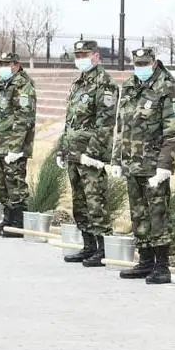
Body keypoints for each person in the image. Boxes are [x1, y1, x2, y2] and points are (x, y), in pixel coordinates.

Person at [107, 47, 175, 284]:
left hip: (153, 166)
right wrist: (116, 159)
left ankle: (162, 266)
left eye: (144, 63)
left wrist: (165, 165)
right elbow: (121, 125)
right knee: (138, 214)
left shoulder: (167, 88)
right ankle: (145, 261)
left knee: (158, 214)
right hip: (132, 163)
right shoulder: (130, 86)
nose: (139, 67)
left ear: (154, 62)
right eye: (136, 63)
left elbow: (174, 132)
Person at [57, 40, 119, 266]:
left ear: (96, 56)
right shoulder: (78, 83)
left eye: (84, 54)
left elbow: (105, 124)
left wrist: (92, 153)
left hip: (91, 156)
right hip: (74, 153)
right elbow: (70, 121)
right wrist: (62, 150)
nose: (80, 58)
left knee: (96, 202)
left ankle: (102, 249)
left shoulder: (105, 84)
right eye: (78, 54)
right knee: (79, 202)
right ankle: (87, 246)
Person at [0, 52, 37, 237]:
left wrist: (15, 148)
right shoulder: (3, 85)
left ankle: (17, 223)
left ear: (15, 65)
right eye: (1, 63)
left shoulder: (23, 85)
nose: (3, 67)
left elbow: (24, 119)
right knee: (3, 185)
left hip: (14, 147)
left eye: (6, 64)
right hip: (1, 144)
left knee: (15, 184)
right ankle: (7, 220)